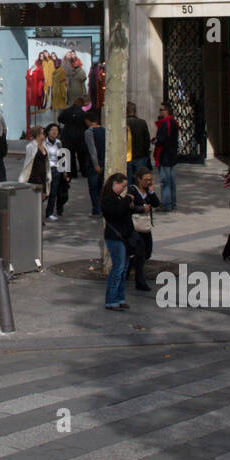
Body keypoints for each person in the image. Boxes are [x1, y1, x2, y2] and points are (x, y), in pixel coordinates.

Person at [100, 174, 134, 311]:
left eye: (125, 187)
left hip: (123, 237)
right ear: (114, 183)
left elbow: (125, 212)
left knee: (124, 268)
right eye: (122, 186)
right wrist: (126, 200)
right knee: (118, 268)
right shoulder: (107, 199)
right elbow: (117, 213)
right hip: (114, 238)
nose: (123, 189)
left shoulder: (118, 198)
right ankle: (111, 300)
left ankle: (120, 298)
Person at [126, 168, 159, 291]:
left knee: (148, 252)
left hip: (146, 227)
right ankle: (140, 282)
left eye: (150, 179)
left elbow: (156, 203)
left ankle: (129, 265)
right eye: (146, 180)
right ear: (139, 179)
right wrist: (141, 208)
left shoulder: (147, 191)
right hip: (135, 227)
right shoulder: (132, 190)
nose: (148, 182)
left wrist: (151, 192)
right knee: (140, 254)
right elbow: (128, 207)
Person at [153, 102, 179, 212]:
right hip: (172, 155)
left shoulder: (165, 123)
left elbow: (162, 140)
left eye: (161, 109)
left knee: (165, 181)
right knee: (171, 180)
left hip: (165, 156)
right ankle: (172, 203)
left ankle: (166, 204)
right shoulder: (174, 122)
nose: (160, 111)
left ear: (166, 111)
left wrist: (155, 141)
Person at [59, 96, 90, 177]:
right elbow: (86, 124)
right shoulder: (83, 113)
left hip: (68, 135)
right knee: (82, 155)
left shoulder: (66, 111)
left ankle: (72, 173)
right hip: (80, 136)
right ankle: (84, 172)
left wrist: (67, 123)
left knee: (70, 155)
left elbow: (59, 119)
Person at [83, 110, 105, 216]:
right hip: (104, 162)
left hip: (93, 164)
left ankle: (96, 209)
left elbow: (92, 150)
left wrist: (95, 164)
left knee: (93, 187)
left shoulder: (89, 132)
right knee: (101, 187)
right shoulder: (104, 130)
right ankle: (101, 207)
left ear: (88, 121)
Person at [19, 126, 50, 200]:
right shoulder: (30, 146)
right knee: (35, 199)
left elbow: (46, 161)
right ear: (37, 135)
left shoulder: (44, 145)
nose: (44, 135)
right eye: (42, 133)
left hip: (43, 175)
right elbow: (28, 162)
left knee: (43, 197)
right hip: (34, 176)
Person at [44, 123, 67, 221]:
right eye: (52, 130)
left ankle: (49, 212)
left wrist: (64, 171)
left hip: (56, 169)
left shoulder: (59, 142)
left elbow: (63, 157)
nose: (54, 132)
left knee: (54, 192)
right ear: (48, 131)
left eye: (56, 130)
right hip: (46, 169)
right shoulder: (44, 143)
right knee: (45, 192)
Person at [126, 102, 152, 177]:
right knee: (139, 180)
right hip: (140, 156)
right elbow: (147, 139)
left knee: (128, 181)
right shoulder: (142, 123)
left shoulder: (124, 123)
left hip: (128, 157)